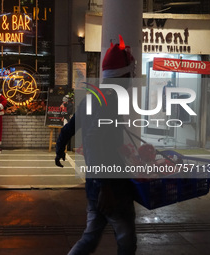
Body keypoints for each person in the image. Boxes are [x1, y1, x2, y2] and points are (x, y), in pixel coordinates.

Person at [55, 35, 137, 255]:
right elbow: (96, 139)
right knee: (126, 240)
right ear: (124, 76)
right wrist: (106, 187)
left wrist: (60, 147)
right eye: (131, 73)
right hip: (110, 185)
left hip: (95, 183)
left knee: (91, 237)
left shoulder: (93, 97)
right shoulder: (111, 101)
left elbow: (70, 127)